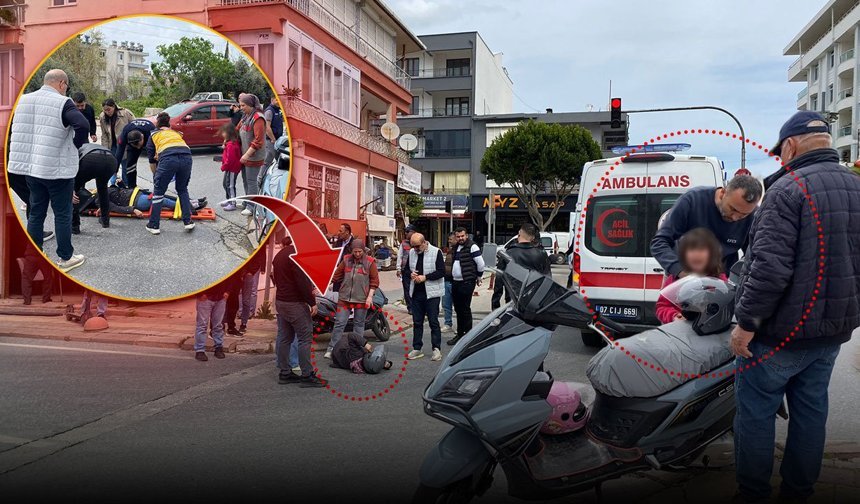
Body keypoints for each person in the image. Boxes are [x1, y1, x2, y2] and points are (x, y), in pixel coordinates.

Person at [730, 111, 860, 503]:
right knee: (811, 412)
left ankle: (753, 494)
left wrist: (745, 326)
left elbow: (769, 269)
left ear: (789, 146)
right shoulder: (856, 187)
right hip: (831, 333)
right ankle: (798, 492)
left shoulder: (788, 190)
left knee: (755, 415)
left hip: (779, 335)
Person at [7, 69, 88, 273]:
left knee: (36, 212)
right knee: (62, 213)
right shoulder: (63, 102)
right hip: (56, 170)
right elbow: (83, 125)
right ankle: (65, 257)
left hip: (31, 168)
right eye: (66, 87)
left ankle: (34, 256)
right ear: (62, 84)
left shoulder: (23, 100)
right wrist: (74, 145)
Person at [650, 174, 762, 278]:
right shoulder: (693, 200)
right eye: (733, 209)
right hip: (682, 279)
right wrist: (679, 270)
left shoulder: (753, 216)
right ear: (723, 193)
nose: (735, 218)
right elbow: (659, 242)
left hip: (723, 282)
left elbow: (753, 256)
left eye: (743, 215)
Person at [272, 236, 325, 388]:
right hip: (294, 303)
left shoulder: (280, 254)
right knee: (305, 338)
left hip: (281, 301)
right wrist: (312, 302)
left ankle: (285, 372)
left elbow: (275, 277)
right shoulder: (296, 256)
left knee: (285, 337)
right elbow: (302, 282)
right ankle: (307, 375)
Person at [654, 228, 727, 324]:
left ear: (712, 254)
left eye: (701, 249)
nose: (696, 254)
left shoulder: (719, 280)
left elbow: (725, 308)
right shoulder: (675, 278)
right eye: (691, 249)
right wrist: (674, 315)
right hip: (679, 330)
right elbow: (662, 306)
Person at [324, 239, 379, 359]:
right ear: (351, 251)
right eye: (355, 251)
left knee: (359, 324)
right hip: (344, 298)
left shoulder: (370, 262)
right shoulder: (346, 260)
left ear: (363, 250)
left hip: (362, 299)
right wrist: (325, 285)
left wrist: (369, 297)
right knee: (339, 323)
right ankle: (332, 348)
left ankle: (357, 350)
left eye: (360, 251)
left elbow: (374, 281)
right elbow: (336, 276)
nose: (357, 254)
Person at [144, 112, 195, 235]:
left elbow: (152, 161)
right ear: (169, 124)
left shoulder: (154, 135)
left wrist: (156, 177)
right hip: (187, 157)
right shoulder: (175, 133)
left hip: (168, 159)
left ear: (157, 124)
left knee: (159, 193)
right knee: (182, 189)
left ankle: (154, 225)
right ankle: (188, 221)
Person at [404, 233, 445, 361]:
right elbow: (406, 270)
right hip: (416, 292)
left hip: (432, 293)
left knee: (433, 321)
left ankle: (436, 349)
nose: (415, 249)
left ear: (424, 242)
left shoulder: (436, 252)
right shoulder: (412, 252)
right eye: (413, 246)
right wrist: (411, 274)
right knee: (417, 322)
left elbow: (441, 272)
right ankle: (417, 348)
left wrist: (425, 277)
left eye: (417, 246)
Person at [491, 223, 551, 310]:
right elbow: (548, 279)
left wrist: (495, 305)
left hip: (513, 300)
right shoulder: (541, 254)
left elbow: (499, 282)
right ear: (533, 237)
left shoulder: (508, 254)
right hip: (534, 301)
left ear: (519, 233)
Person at [446, 227, 485, 346]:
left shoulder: (472, 247)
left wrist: (479, 277)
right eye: (458, 236)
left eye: (462, 236)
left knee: (465, 309)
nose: (460, 238)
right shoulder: (456, 247)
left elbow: (481, 264)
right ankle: (460, 334)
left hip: (467, 282)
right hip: (456, 282)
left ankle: (468, 336)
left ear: (466, 236)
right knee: (458, 309)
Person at [76, 183, 207, 217]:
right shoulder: (99, 200)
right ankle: (191, 208)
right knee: (162, 200)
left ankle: (193, 202)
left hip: (137, 194)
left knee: (165, 196)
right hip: (136, 202)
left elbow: (117, 193)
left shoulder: (98, 191)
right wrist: (133, 210)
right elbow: (115, 208)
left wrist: (120, 184)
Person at [72, 143, 116, 234]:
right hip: (111, 160)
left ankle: (74, 226)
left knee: (74, 191)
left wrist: (72, 189)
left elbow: (72, 167)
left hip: (91, 160)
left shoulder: (77, 148)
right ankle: (105, 220)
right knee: (102, 188)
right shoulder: (88, 146)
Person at [237, 94, 266, 217]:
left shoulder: (258, 118)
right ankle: (247, 201)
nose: (241, 108)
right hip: (245, 154)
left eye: (243, 105)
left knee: (252, 181)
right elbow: (237, 129)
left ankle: (252, 207)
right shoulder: (246, 116)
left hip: (253, 156)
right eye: (240, 105)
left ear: (250, 105)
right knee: (246, 180)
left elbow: (258, 141)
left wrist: (247, 155)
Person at [99, 98, 135, 185]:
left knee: (125, 166)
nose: (107, 112)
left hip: (125, 145)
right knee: (111, 166)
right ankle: (112, 185)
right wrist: (105, 149)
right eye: (105, 110)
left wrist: (131, 143)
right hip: (112, 145)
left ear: (114, 106)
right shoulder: (102, 116)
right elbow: (104, 134)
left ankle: (126, 185)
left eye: (109, 109)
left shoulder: (125, 113)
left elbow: (135, 127)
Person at [114, 118, 156, 188]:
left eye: (139, 145)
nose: (138, 148)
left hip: (149, 139)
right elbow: (119, 153)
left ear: (142, 137)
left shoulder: (151, 132)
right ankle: (132, 187)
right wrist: (115, 170)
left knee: (155, 164)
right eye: (135, 146)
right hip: (133, 142)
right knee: (130, 165)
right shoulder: (124, 135)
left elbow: (156, 153)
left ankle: (157, 187)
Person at [194, 281, 229, 362]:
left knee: (218, 325)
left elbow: (229, 277)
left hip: (220, 297)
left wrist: (227, 292)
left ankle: (218, 347)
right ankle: (200, 350)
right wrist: (200, 293)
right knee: (202, 325)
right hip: (204, 297)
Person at [239, 249, 266, 333]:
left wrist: (252, 271)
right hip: (239, 273)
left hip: (249, 272)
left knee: (249, 295)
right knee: (238, 295)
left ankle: (245, 319)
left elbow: (261, 254)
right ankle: (240, 313)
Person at [219, 122, 242, 211]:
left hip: (232, 168)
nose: (222, 134)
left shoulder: (231, 145)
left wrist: (224, 166)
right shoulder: (229, 143)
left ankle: (233, 203)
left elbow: (230, 159)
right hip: (230, 167)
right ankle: (229, 200)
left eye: (224, 132)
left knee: (230, 185)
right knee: (226, 184)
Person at [396, 224, 416, 314]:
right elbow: (399, 256)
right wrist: (398, 269)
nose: (406, 233)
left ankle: (417, 306)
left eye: (408, 231)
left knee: (417, 289)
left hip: (416, 270)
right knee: (407, 289)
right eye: (405, 232)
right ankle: (410, 307)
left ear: (413, 232)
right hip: (406, 270)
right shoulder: (403, 244)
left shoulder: (419, 242)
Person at [263, 95, 284, 168]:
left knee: (268, 160)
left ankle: (261, 175)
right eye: (277, 100)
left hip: (276, 140)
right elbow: (267, 127)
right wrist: (273, 139)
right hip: (271, 140)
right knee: (279, 159)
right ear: (272, 100)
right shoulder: (269, 111)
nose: (279, 102)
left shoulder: (277, 110)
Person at [441, 232, 456, 332]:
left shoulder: (460, 251)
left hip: (456, 281)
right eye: (449, 239)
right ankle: (448, 323)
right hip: (446, 280)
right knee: (446, 304)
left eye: (451, 239)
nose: (449, 241)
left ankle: (461, 326)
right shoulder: (450, 251)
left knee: (458, 305)